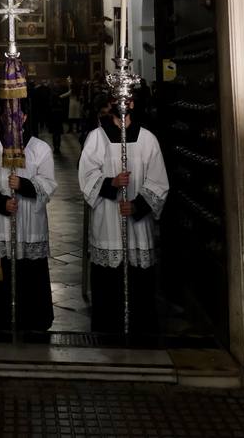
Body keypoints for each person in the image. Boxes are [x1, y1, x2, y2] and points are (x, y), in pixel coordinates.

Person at [78, 98, 169, 334]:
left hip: (138, 226)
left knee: (139, 283)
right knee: (108, 284)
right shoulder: (97, 138)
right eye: (117, 99)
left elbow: (159, 181)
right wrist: (111, 183)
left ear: (133, 104)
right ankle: (107, 328)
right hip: (108, 221)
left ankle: (141, 329)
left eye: (127, 99)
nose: (123, 103)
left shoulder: (148, 139)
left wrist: (138, 205)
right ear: (109, 104)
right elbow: (86, 176)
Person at [0, 110, 57, 331]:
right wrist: (1, 202)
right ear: (1, 117)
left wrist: (24, 185)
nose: (12, 118)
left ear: (26, 117)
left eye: (17, 113)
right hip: (0, 224)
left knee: (30, 273)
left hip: (30, 223)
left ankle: (33, 318)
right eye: (7, 114)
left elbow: (48, 182)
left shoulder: (40, 148)